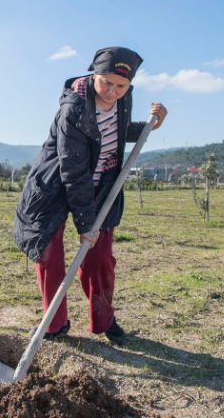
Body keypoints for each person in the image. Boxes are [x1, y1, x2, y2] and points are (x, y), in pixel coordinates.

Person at [13, 46, 167, 345]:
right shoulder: (74, 109)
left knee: (100, 259)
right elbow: (74, 171)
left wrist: (150, 126)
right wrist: (85, 224)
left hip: (102, 188)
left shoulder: (121, 99)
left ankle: (103, 319)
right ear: (94, 74)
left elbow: (113, 132)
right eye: (106, 82)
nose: (112, 91)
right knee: (48, 254)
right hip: (56, 186)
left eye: (121, 86)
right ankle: (55, 323)